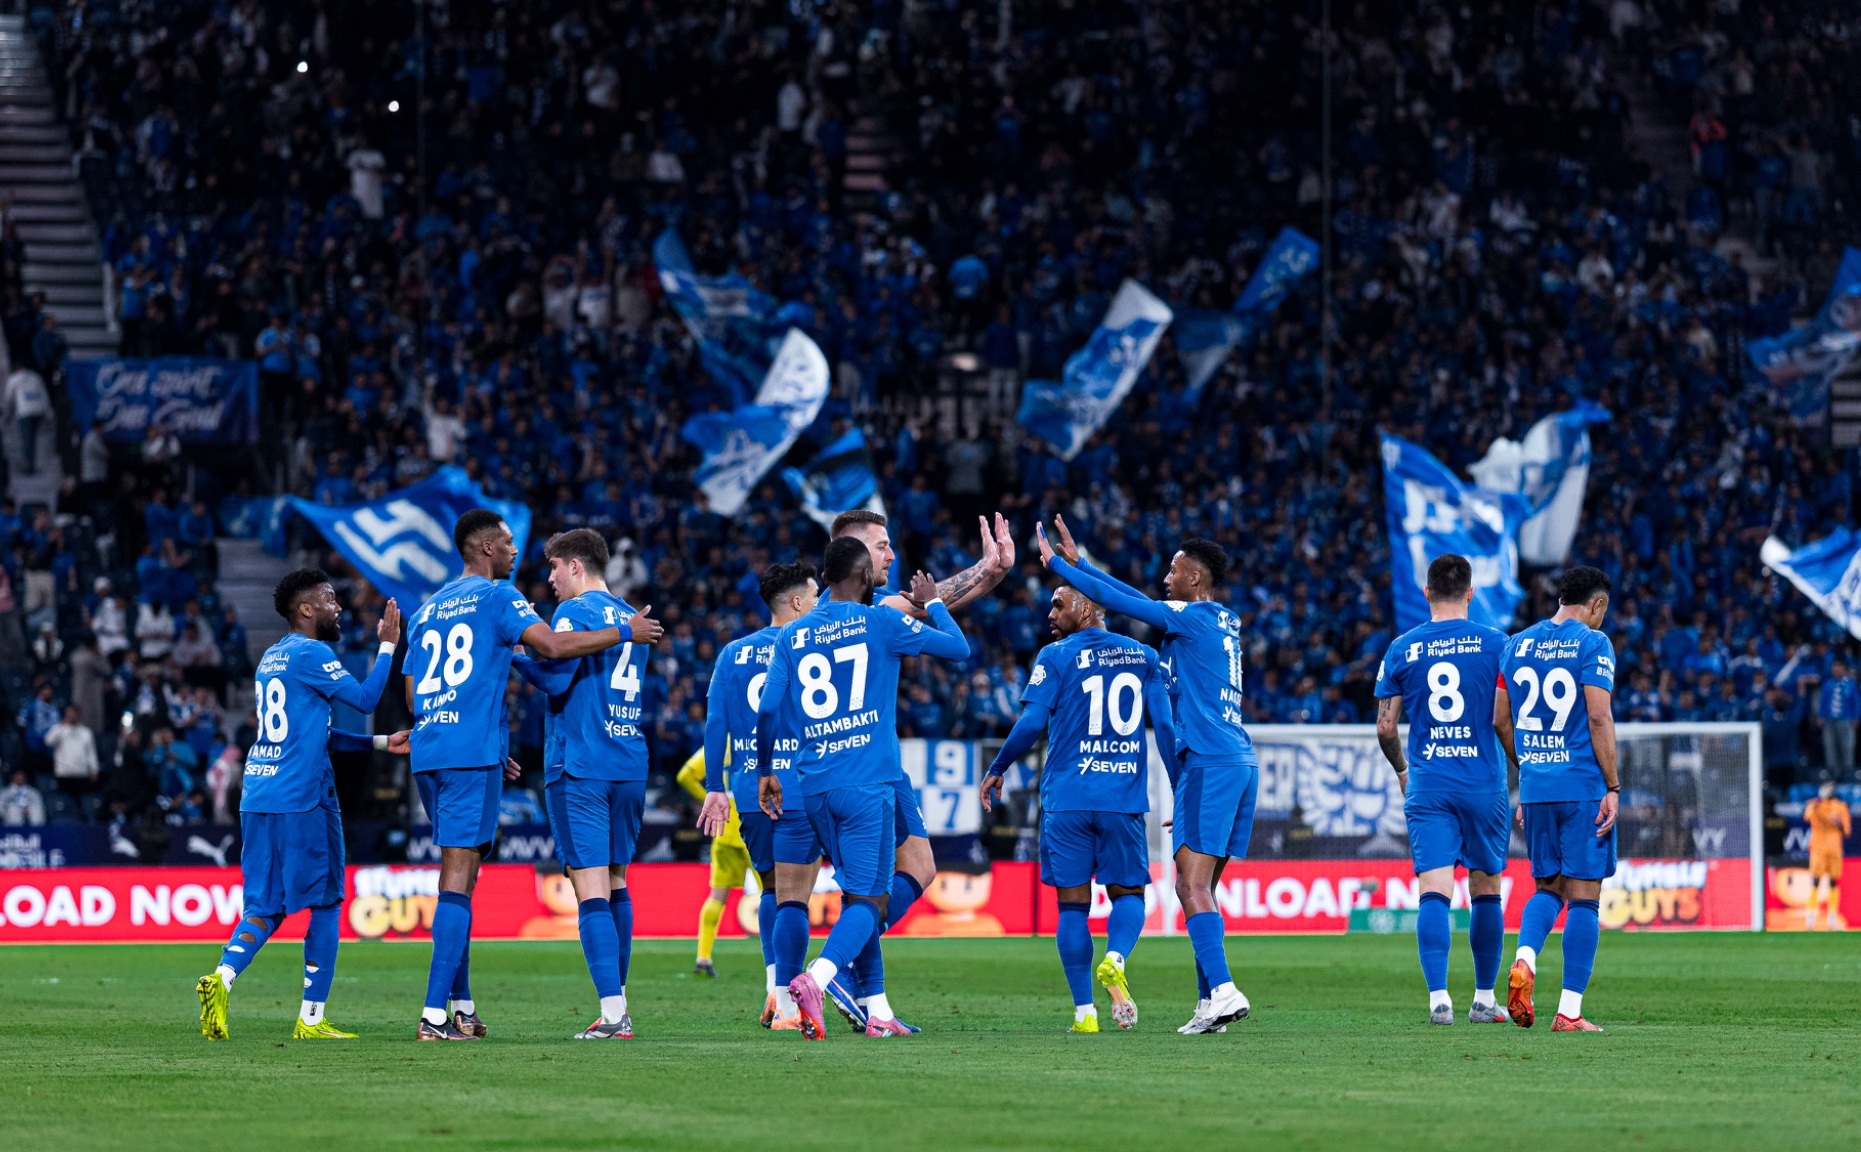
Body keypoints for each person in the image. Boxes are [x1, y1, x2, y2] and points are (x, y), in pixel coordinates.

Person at [405, 510, 633, 1042]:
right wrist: (624, 629)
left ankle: (461, 1006)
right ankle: (434, 1016)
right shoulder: (499, 598)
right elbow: (551, 649)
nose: (515, 551)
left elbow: (416, 697)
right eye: (508, 543)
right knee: (457, 880)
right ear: (484, 548)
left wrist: (492, 743)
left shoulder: (424, 611)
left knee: (461, 874)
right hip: (470, 755)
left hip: (431, 753)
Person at [1040, 515, 1254, 1035]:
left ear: (1195, 580)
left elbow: (1120, 603)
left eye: (1174, 571)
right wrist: (1085, 565)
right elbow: (1130, 595)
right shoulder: (1221, 621)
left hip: (1210, 760)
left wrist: (1061, 565)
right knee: (1202, 887)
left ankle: (1224, 990)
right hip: (1236, 761)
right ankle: (1209, 1007)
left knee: (1189, 884)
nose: (1166, 579)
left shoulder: (1192, 618)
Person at [799, 508, 1012, 1031]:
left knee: (901, 874)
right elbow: (936, 609)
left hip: (833, 771)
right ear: (854, 550)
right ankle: (836, 972)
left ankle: (876, 1008)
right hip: (866, 769)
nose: (892, 554)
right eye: (882, 545)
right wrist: (987, 570)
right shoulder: (873, 611)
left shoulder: (822, 615)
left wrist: (991, 570)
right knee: (887, 883)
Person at [754, 538, 969, 1039]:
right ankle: (820, 978)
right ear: (858, 575)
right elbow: (958, 648)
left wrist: (766, 769)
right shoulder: (881, 621)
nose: (881, 572)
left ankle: (876, 1011)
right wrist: (934, 601)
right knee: (869, 902)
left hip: (814, 786)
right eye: (874, 564)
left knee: (856, 893)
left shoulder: (792, 634)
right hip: (869, 783)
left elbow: (766, 710)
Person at [194, 569, 403, 1041]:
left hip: (259, 794)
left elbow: (317, 730)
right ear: (305, 609)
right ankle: (311, 1018)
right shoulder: (313, 652)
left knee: (265, 906)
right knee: (326, 901)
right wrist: (388, 644)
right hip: (302, 797)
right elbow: (366, 697)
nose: (338, 606)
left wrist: (379, 743)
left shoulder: (272, 656)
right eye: (329, 599)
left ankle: (220, 979)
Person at [979, 585, 1175, 1032]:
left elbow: (1031, 722)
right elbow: (1163, 724)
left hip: (1066, 801)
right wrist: (1179, 786)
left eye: (1058, 604)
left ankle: (1085, 1013)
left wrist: (998, 766)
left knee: (1071, 909)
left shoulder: (1055, 656)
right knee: (1128, 895)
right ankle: (1116, 957)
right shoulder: (1144, 656)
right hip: (1120, 801)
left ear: (1087, 607)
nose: (1050, 612)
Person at [510, 528, 663, 1040]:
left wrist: (515, 651)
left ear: (576, 566)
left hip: (581, 763)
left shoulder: (574, 614)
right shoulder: (628, 616)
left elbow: (554, 678)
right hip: (628, 763)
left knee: (590, 887)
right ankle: (618, 1004)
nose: (549, 579)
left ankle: (615, 1013)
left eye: (554, 567)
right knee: (618, 881)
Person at [1372, 554, 1511, 1026]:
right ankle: (1485, 997)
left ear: (1427, 592)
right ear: (1471, 593)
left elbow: (1386, 728)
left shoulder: (1402, 648)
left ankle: (1438, 1000)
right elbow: (1503, 715)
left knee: (1434, 889)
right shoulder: (1497, 644)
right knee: (1485, 887)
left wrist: (1403, 772)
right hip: (1482, 782)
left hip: (1428, 783)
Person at [695, 561, 818, 1026]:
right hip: (803, 786)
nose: (821, 603)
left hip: (748, 789)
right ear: (797, 602)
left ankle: (774, 990)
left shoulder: (732, 654)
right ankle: (798, 998)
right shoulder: (808, 648)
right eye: (815, 595)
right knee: (795, 900)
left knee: (769, 887)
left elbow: (714, 725)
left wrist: (714, 787)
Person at [1495, 566, 1618, 1033]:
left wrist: (1528, 770)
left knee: (1548, 888)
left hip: (1538, 787)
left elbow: (1499, 719)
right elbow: (1598, 717)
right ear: (1597, 604)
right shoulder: (1593, 643)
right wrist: (1613, 787)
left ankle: (1525, 957)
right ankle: (1568, 1011)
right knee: (1585, 900)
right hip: (1584, 786)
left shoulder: (1517, 644)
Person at [1803, 781, 1851, 930]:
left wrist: (1838, 823)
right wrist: (1815, 806)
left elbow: (1847, 830)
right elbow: (1807, 816)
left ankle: (1832, 918)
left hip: (1834, 850)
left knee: (1833, 883)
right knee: (1815, 882)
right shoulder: (1815, 805)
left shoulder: (1840, 807)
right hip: (1818, 849)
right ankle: (1810, 918)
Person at [45, 705, 100, 810]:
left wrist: (94, 769)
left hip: (81, 774)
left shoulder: (86, 732)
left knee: (83, 805)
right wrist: (61, 727)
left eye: (74, 714)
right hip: (64, 775)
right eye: (69, 714)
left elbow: (91, 753)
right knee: (65, 805)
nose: (71, 716)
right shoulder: (59, 730)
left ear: (78, 715)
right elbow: (48, 741)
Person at [1817, 660, 1858, 775]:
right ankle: (1833, 772)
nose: (1836, 669)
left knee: (1847, 746)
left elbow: (1856, 702)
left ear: (1844, 669)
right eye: (1834, 667)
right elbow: (1823, 701)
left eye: (1839, 666)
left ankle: (1848, 772)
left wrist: (1856, 717)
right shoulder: (1827, 684)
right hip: (1829, 720)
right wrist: (1821, 716)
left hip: (1846, 719)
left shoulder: (1850, 684)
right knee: (1830, 746)